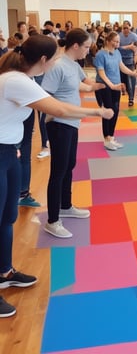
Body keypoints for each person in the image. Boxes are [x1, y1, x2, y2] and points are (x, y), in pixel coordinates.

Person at [0, 35, 113, 317]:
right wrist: (97, 111)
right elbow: (59, 109)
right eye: (51, 60)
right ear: (43, 61)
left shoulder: (20, 78)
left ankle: (4, 272)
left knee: (8, 217)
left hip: (7, 151)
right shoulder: (16, 80)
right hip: (3, 151)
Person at [41, 28, 109, 238]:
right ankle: (52, 220)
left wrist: (107, 86)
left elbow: (84, 86)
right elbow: (45, 98)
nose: (88, 51)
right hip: (60, 124)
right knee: (58, 170)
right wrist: (53, 117)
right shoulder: (58, 66)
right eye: (87, 47)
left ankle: (65, 205)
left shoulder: (74, 65)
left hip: (72, 124)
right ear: (75, 46)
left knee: (69, 165)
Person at [94, 32, 137, 150]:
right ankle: (106, 138)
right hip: (104, 87)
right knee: (108, 112)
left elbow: (122, 66)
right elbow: (101, 73)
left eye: (119, 41)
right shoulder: (100, 55)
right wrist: (111, 85)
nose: (118, 43)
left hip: (116, 86)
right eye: (115, 41)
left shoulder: (117, 52)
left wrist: (134, 73)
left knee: (115, 110)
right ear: (108, 41)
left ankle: (112, 137)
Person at [118, 22, 137, 107]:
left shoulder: (134, 36)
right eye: (124, 28)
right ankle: (123, 91)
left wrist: (135, 54)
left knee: (131, 81)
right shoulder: (119, 36)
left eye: (127, 28)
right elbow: (117, 48)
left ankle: (131, 99)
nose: (126, 29)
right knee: (122, 80)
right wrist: (128, 47)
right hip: (120, 61)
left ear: (130, 28)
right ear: (122, 28)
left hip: (130, 61)